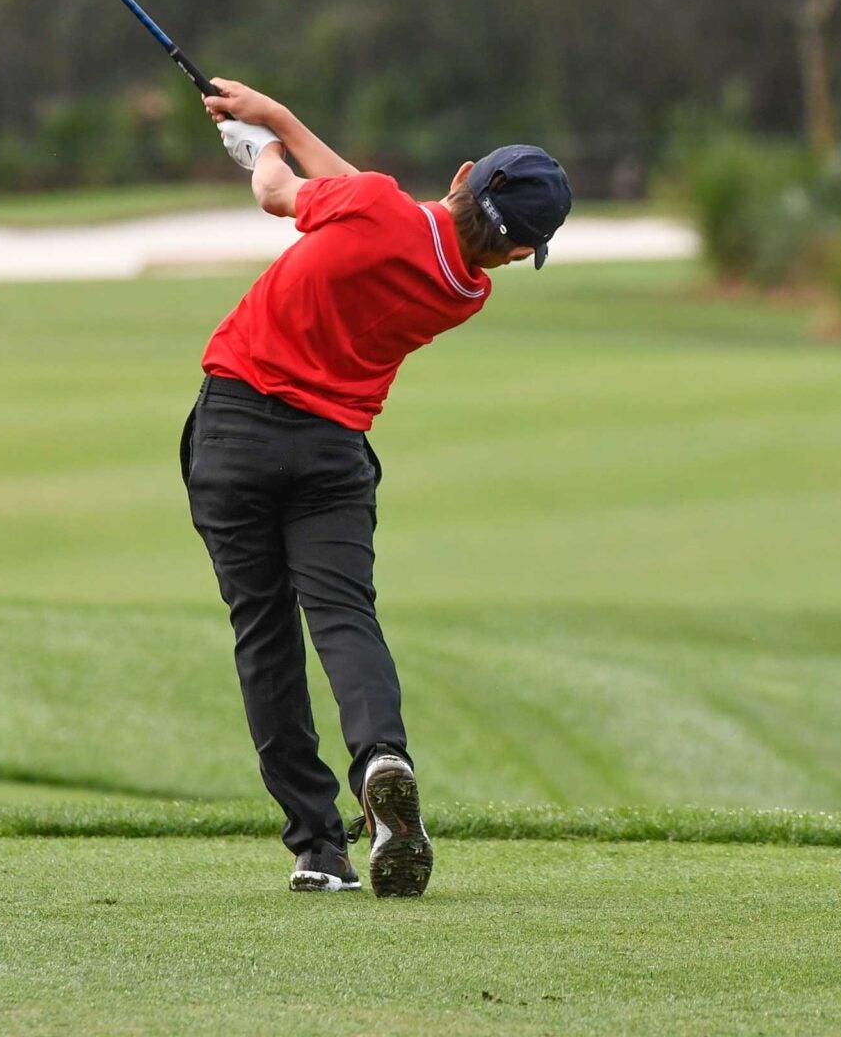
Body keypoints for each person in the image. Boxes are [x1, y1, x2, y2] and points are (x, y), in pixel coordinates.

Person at [188, 80, 571, 896]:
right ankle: (382, 757)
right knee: (341, 616)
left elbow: (280, 195)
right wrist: (279, 119)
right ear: (513, 256)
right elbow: (374, 208)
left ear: (463, 174)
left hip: (235, 432)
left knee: (264, 634)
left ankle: (317, 850)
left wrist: (262, 148)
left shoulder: (376, 205)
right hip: (330, 456)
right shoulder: (465, 291)